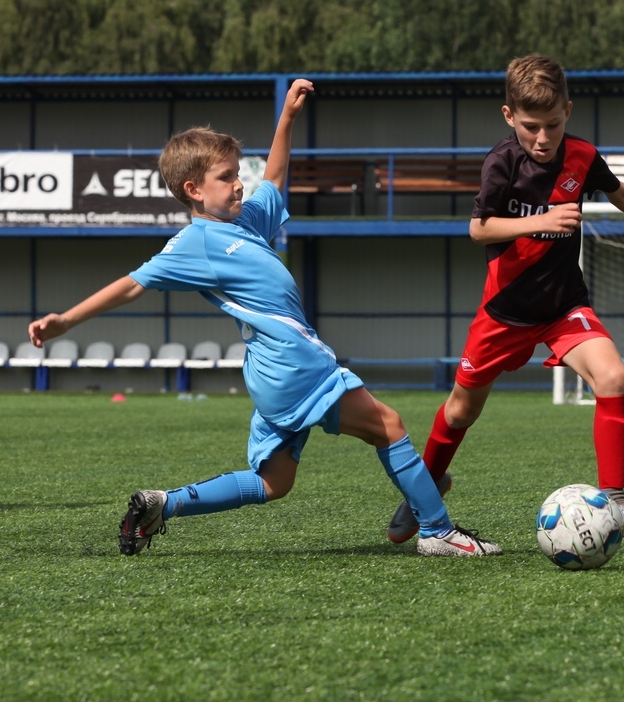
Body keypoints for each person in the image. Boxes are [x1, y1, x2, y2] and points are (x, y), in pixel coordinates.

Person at [27, 79, 501, 558]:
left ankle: (161, 505)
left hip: (271, 371)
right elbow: (131, 284)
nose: (239, 184)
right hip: (293, 362)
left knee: (273, 482)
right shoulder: (195, 243)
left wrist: (288, 118)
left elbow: (273, 180)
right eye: (227, 177)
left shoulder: (246, 221)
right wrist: (65, 321)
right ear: (193, 190)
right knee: (390, 426)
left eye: (237, 174)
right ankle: (436, 532)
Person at [385, 54, 624, 544]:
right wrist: (540, 220)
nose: (543, 138)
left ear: (569, 111)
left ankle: (616, 500)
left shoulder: (581, 156)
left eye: (554, 125)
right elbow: (480, 228)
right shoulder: (502, 161)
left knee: (613, 375)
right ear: (509, 116)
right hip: (505, 312)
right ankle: (424, 492)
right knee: (459, 412)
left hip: (564, 308)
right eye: (531, 126)